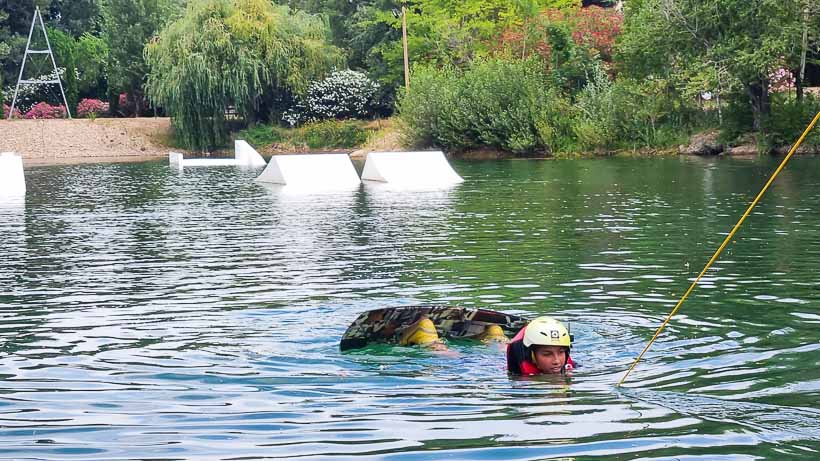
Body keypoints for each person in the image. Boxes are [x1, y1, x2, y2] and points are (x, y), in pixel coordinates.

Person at [507, 316, 574, 375]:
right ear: (532, 355)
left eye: (561, 352)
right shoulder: (518, 367)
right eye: (547, 354)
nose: (557, 361)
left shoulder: (569, 366)